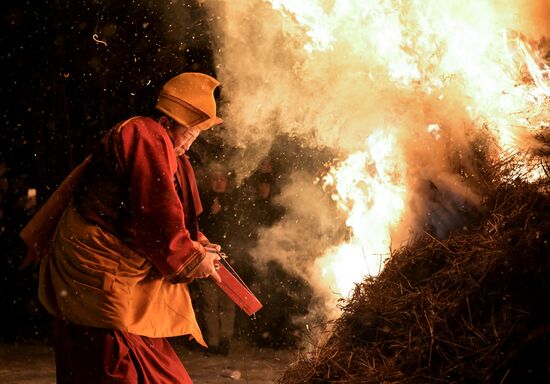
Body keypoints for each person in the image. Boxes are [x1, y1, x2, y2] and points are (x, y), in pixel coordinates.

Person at [20, 72, 225, 383]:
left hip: (113, 287)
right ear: (171, 119)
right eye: (192, 129)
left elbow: (169, 213)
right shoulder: (146, 136)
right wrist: (194, 259)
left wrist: (198, 243)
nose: (193, 139)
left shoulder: (157, 140)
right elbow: (157, 216)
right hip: (99, 277)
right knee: (115, 370)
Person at [195, 162, 237, 356]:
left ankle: (226, 340)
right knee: (209, 303)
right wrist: (212, 215)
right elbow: (198, 229)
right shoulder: (202, 203)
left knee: (228, 302)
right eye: (215, 179)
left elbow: (239, 232)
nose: (218, 182)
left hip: (230, 259)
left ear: (227, 182)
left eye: (222, 179)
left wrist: (236, 256)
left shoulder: (234, 203)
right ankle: (212, 342)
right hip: (207, 258)